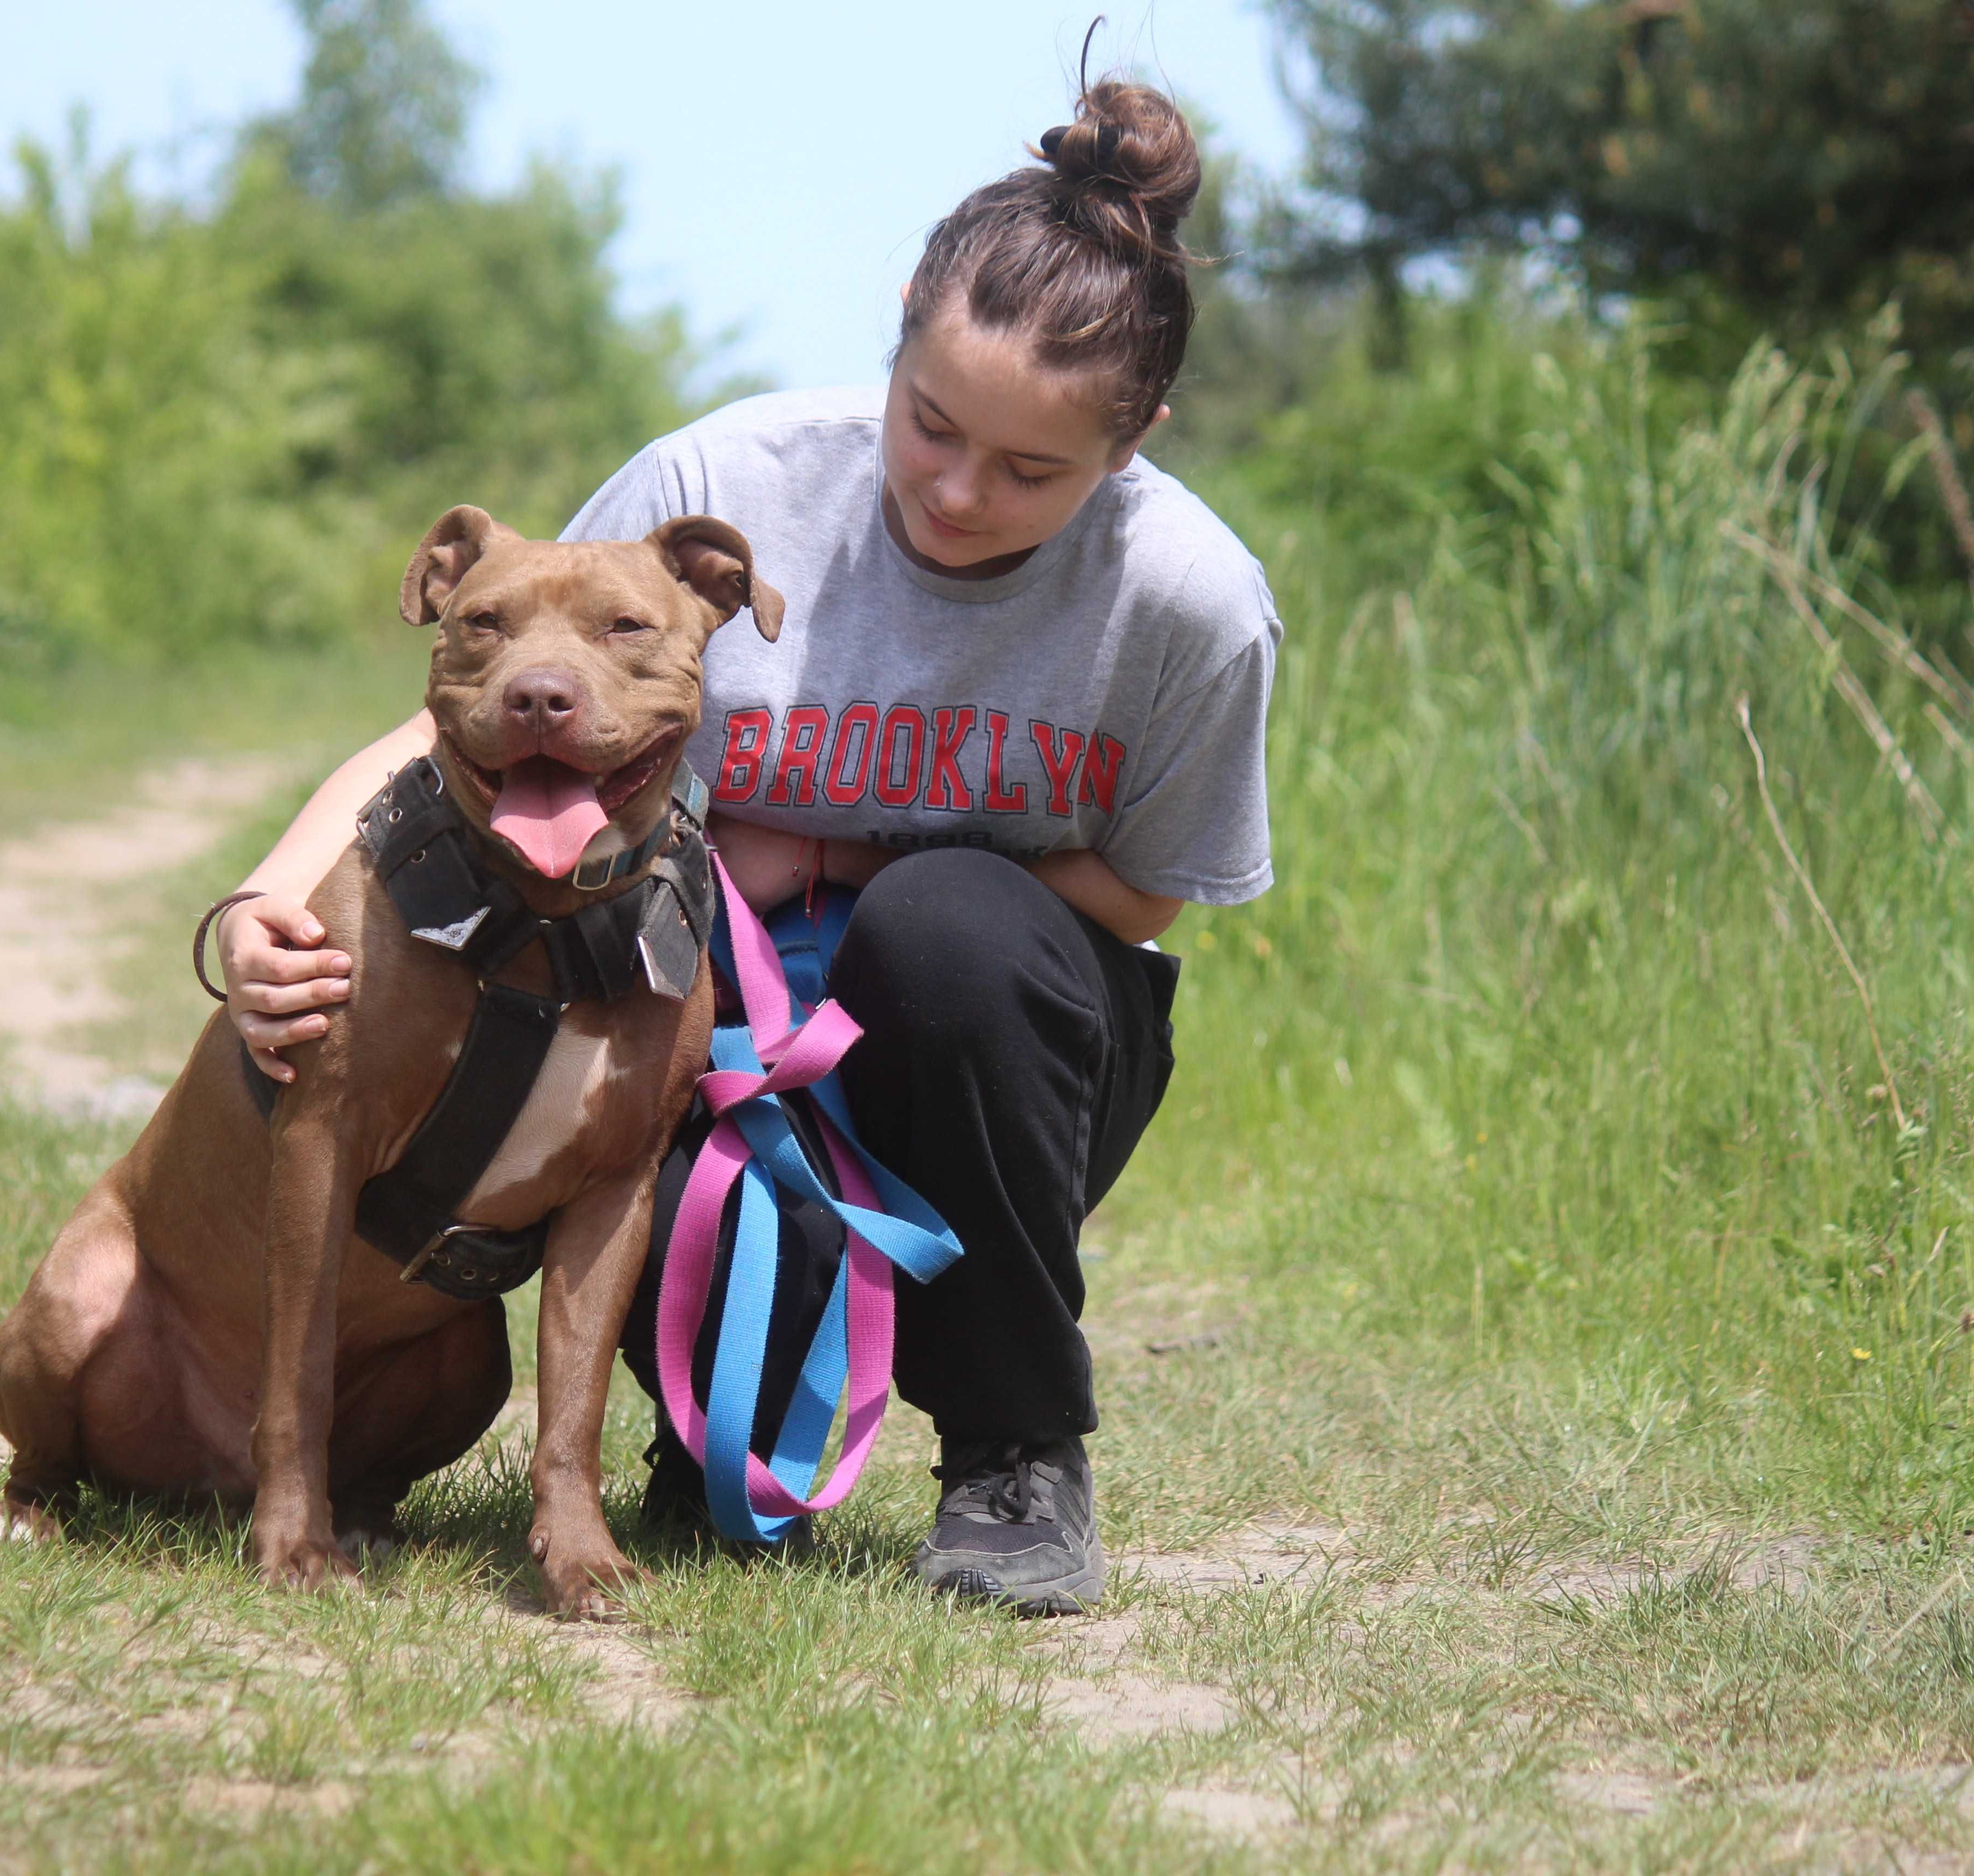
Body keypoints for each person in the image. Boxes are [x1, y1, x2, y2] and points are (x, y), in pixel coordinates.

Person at [209, 75, 1279, 1615]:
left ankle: (1017, 1457)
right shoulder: (721, 483)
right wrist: (259, 907)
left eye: (1032, 472)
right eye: (932, 425)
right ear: (902, 323)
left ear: (1136, 443)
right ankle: (712, 1427)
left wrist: (833, 865)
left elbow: (1144, 889)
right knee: (647, 966)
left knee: (949, 932)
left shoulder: (1189, 603)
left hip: (997, 1044)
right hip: (697, 996)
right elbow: (482, 729)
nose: (959, 491)